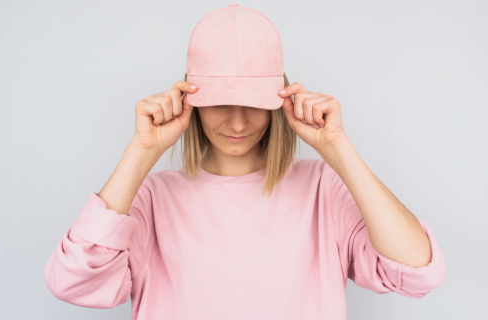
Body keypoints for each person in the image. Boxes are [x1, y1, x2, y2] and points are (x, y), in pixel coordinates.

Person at [44, 4, 446, 320]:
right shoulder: (151, 199)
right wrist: (141, 150)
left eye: (254, 104)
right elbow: (73, 282)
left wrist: (338, 147)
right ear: (190, 101)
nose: (237, 121)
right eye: (219, 103)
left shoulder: (322, 190)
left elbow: (418, 270)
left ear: (279, 103)